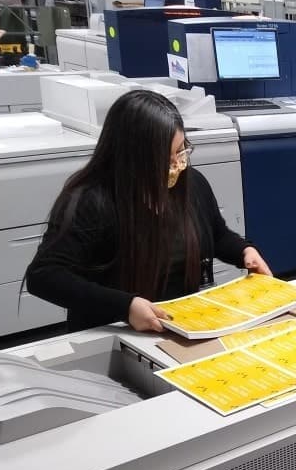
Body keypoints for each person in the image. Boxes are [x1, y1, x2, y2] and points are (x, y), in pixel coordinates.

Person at [26, 89, 272, 333]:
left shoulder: (190, 183)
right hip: (115, 329)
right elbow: (44, 276)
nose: (178, 164)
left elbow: (216, 235)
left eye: (180, 151)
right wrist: (126, 306)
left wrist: (244, 250)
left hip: (181, 322)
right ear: (134, 159)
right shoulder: (91, 200)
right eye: (165, 159)